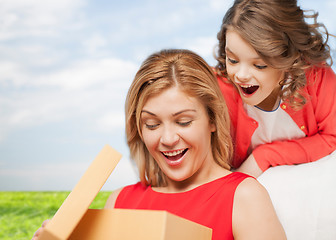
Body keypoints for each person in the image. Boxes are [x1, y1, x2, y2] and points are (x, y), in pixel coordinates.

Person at [32, 49, 286, 240]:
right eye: (152, 125)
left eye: (183, 121)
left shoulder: (243, 196)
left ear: (212, 120)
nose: (167, 139)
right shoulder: (120, 201)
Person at [214, 0, 336, 178]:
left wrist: (265, 156)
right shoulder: (216, 91)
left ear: (290, 59)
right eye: (232, 60)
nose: (241, 75)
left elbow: (332, 137)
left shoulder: (316, 76)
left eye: (259, 65)